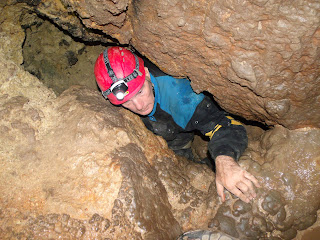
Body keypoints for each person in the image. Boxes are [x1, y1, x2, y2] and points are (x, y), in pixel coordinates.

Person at [94, 46, 260, 205]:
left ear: (145, 73)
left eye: (140, 92)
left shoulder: (183, 99)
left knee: (174, 133)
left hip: (178, 119)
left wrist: (225, 160)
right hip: (165, 130)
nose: (138, 106)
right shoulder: (126, 100)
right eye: (126, 101)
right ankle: (182, 155)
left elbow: (228, 126)